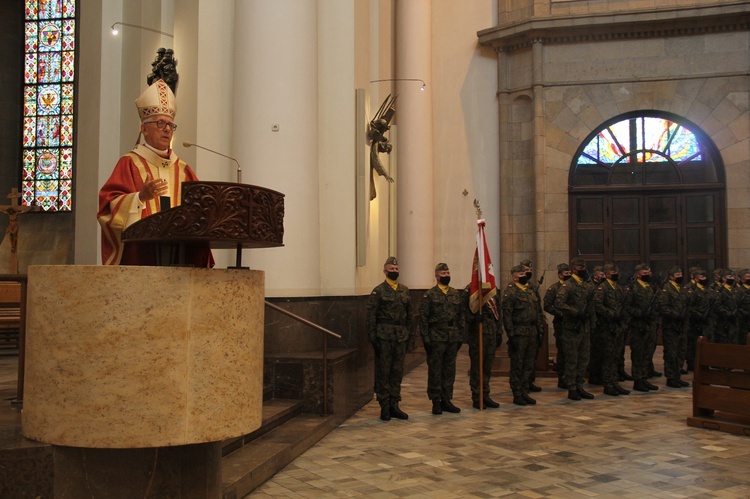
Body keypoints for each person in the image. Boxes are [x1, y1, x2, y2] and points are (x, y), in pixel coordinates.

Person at [98, 78, 212, 266]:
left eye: (170, 125)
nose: (167, 129)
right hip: (142, 255)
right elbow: (107, 205)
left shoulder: (183, 169)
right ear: (144, 129)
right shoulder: (129, 163)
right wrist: (140, 197)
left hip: (180, 256)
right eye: (160, 123)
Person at [366, 257, 412, 421]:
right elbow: (371, 317)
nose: (394, 272)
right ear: (385, 271)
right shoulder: (378, 291)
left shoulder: (404, 290)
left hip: (400, 336)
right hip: (383, 336)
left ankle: (395, 404)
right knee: (383, 372)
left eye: (396, 269)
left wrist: (410, 337)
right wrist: (373, 338)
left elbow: (409, 316)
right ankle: (384, 406)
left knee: (397, 372)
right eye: (391, 269)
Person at [419, 263, 465, 415]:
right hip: (436, 337)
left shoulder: (454, 293)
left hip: (452, 336)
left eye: (448, 272)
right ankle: (436, 401)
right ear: (437, 276)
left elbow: (460, 316)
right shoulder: (430, 295)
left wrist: (460, 336)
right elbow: (423, 319)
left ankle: (447, 399)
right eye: (443, 273)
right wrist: (426, 339)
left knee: (449, 370)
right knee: (435, 370)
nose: (447, 275)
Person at [501, 265, 545, 406]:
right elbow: (507, 316)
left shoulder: (530, 292)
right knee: (518, 365)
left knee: (528, 364)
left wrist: (540, 330)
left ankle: (525, 390)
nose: (524, 275)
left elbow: (537, 312)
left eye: (524, 273)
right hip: (519, 334)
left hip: (532, 332)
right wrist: (511, 335)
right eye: (520, 273)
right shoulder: (511, 293)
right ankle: (517, 393)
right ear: (514, 277)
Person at [555, 258, 596, 401]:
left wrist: (591, 322)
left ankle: (580, 385)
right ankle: (571, 387)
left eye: (584, 267)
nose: (582, 269)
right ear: (573, 269)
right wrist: (575, 311)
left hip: (584, 328)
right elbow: (559, 303)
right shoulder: (567, 285)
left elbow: (592, 308)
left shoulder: (587, 286)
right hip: (571, 328)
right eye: (580, 267)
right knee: (572, 359)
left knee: (583, 359)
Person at [593, 263, 630, 396]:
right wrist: (610, 314)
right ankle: (608, 384)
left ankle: (614, 382)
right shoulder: (603, 288)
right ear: (607, 274)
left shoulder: (617, 288)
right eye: (613, 271)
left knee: (616, 356)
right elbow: (597, 305)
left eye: (617, 271)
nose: (616, 273)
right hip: (607, 327)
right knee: (608, 357)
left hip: (617, 327)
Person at [464, 283, 501, 409]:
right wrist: (474, 318)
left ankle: (485, 394)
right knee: (477, 367)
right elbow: (464, 313)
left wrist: (499, 331)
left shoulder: (491, 289)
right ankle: (477, 396)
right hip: (477, 335)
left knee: (487, 366)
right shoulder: (471, 290)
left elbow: (498, 312)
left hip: (491, 334)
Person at [625, 264, 660, 392]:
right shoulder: (633, 288)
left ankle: (644, 377)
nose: (648, 275)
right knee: (638, 353)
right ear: (638, 274)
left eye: (648, 272)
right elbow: (627, 307)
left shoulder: (650, 288)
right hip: (638, 326)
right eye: (645, 273)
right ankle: (638, 379)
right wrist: (639, 313)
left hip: (649, 325)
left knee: (647, 352)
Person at [658, 266, 689, 388]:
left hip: (681, 326)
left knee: (680, 351)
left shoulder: (681, 289)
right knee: (671, 353)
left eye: (681, 274)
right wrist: (675, 315)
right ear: (671, 277)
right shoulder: (667, 289)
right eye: (677, 275)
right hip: (671, 326)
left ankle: (677, 375)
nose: (680, 276)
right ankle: (671, 377)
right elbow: (663, 307)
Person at [544, 263, 570, 389]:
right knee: (563, 352)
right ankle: (562, 377)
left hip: (574, 324)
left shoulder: (573, 287)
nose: (568, 276)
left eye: (570, 273)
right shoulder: (554, 288)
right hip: (561, 324)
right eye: (566, 274)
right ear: (560, 275)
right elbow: (547, 305)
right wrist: (560, 313)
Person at [520, 259, 543, 393]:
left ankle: (529, 381)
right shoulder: (513, 289)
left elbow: (537, 308)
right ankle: (520, 386)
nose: (528, 273)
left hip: (533, 329)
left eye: (530, 271)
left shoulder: (533, 287)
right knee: (521, 360)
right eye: (526, 271)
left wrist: (540, 327)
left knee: (531, 358)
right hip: (521, 330)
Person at [684, 268, 711, 369]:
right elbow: (689, 306)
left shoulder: (704, 289)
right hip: (694, 321)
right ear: (695, 278)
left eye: (704, 276)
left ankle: (702, 361)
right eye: (702, 277)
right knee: (692, 343)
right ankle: (692, 363)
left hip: (704, 321)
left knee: (704, 342)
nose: (704, 278)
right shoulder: (692, 289)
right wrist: (698, 314)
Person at [587, 265, 606, 385]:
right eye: (601, 275)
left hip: (603, 323)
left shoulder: (603, 287)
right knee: (595, 351)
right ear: (595, 275)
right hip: (594, 322)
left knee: (602, 351)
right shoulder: (591, 287)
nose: (603, 277)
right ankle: (593, 375)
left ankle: (601, 374)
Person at [711, 269, 738, 344]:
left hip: (733, 321)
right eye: (729, 276)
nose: (732, 278)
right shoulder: (720, 291)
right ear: (724, 278)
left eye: (733, 276)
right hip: (723, 321)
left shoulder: (734, 290)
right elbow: (716, 306)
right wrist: (728, 314)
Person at [735, 269, 750, 345]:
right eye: (747, 277)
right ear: (742, 280)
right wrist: (745, 313)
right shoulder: (739, 291)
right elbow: (736, 305)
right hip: (744, 320)